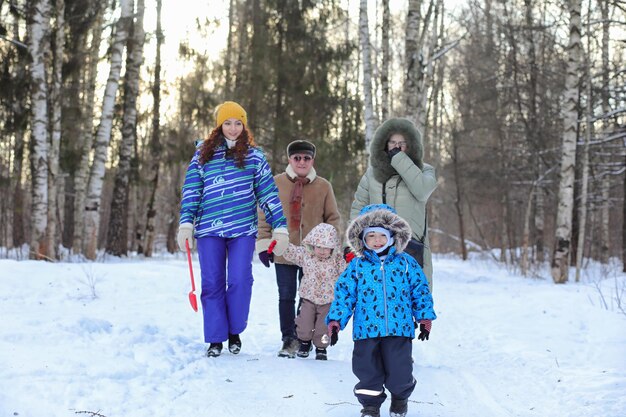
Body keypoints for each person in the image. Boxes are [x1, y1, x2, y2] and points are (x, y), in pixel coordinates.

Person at [177, 101, 289, 358]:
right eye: (228, 122)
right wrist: (186, 222)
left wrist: (279, 227)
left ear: (244, 125)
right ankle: (216, 338)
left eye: (238, 123)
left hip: (242, 229)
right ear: (219, 125)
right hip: (208, 229)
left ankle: (234, 330)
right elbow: (192, 191)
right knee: (212, 282)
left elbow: (268, 194)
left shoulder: (254, 157)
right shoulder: (202, 155)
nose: (233, 128)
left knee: (240, 280)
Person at [326, 204, 436, 417]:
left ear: (393, 235)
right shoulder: (357, 266)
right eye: (371, 236)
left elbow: (420, 290)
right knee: (367, 371)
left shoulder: (406, 263)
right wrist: (336, 321)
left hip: (399, 329)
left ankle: (400, 399)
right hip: (366, 330)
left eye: (382, 235)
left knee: (400, 372)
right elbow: (344, 294)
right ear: (362, 239)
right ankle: (370, 406)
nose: (376, 241)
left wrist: (424, 317)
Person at [256, 139, 342, 358]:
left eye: (306, 158)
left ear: (312, 160)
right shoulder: (275, 182)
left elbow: (333, 218)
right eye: (297, 158)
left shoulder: (323, 186)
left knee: (310, 297)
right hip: (284, 250)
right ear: (289, 159)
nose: (301, 161)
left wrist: (330, 248)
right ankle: (289, 339)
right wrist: (265, 244)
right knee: (286, 295)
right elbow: (265, 216)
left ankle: (304, 337)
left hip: (315, 256)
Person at [349, 118, 437, 289]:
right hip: (375, 248)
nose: (397, 147)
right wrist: (350, 245)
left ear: (411, 146)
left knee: (411, 301)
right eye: (393, 143)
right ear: (384, 144)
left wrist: (399, 159)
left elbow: (422, 190)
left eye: (402, 144)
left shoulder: (425, 171)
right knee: (378, 302)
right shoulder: (371, 175)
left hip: (412, 250)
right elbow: (358, 208)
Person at [271, 223, 345, 361]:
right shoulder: (307, 256)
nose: (322, 251)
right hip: (308, 298)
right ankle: (304, 343)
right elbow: (292, 252)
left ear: (332, 248)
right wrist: (281, 244)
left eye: (326, 248)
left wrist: (352, 260)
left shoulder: (337, 260)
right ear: (312, 246)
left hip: (327, 300)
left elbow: (347, 271)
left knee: (323, 327)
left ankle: (321, 348)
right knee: (304, 323)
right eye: (319, 247)